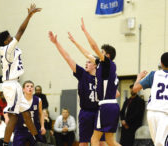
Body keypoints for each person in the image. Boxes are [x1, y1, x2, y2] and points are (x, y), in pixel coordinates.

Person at [68, 18, 120, 146]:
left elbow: (93, 47)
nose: (98, 54)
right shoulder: (107, 67)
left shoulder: (107, 64)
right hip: (113, 106)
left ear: (107, 56)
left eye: (101, 53)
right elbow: (87, 53)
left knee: (94, 140)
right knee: (110, 141)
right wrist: (75, 42)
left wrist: (85, 31)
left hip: (105, 106)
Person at [49, 31, 107, 146]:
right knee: (83, 142)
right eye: (85, 62)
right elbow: (67, 58)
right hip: (86, 112)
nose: (86, 64)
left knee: (101, 142)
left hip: (99, 112)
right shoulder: (82, 74)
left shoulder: (102, 78)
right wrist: (56, 43)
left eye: (89, 62)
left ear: (95, 65)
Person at [0, 4, 41, 146]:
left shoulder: (11, 48)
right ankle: (5, 143)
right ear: (5, 42)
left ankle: (38, 140)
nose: (12, 38)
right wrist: (29, 16)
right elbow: (21, 31)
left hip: (15, 84)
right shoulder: (6, 49)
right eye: (9, 37)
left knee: (26, 114)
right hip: (11, 84)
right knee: (14, 116)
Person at [132, 52, 168, 146]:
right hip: (165, 113)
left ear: (161, 63)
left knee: (157, 142)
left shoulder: (154, 74)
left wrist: (139, 78)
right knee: (161, 142)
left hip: (151, 113)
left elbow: (135, 89)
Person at [12, 80, 46, 146]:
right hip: (21, 129)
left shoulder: (38, 100)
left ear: (33, 89)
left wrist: (42, 126)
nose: (30, 88)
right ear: (23, 89)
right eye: (27, 86)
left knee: (39, 144)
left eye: (31, 86)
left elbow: (41, 114)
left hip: (34, 129)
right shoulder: (18, 100)